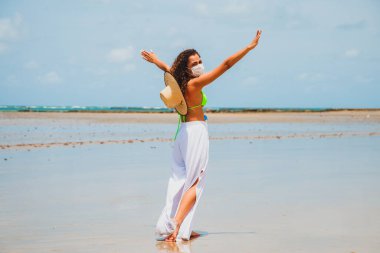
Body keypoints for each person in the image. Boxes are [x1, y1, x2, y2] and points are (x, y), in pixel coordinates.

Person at [140, 29, 262, 242]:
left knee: (179, 181)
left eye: (200, 61)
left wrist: (155, 61)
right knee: (196, 182)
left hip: (181, 135)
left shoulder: (178, 83)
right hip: (195, 133)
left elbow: (168, 69)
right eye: (194, 63)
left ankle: (181, 225)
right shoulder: (195, 84)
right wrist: (248, 48)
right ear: (187, 69)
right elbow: (225, 65)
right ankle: (176, 227)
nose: (199, 65)